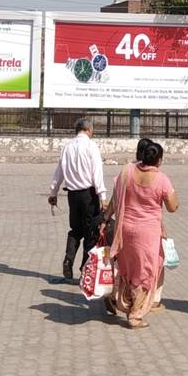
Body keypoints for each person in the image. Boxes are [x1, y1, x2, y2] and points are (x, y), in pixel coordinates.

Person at [103, 141, 178, 329]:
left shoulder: (127, 171)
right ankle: (135, 315)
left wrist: (105, 218)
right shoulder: (162, 179)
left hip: (126, 229)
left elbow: (115, 198)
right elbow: (172, 207)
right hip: (147, 233)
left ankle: (121, 300)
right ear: (159, 160)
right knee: (145, 272)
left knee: (128, 268)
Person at [48, 118, 106, 280]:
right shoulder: (91, 146)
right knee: (91, 232)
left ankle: (68, 260)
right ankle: (85, 269)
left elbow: (59, 172)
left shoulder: (67, 147)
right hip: (89, 195)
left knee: (75, 229)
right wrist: (103, 196)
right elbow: (97, 173)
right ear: (89, 130)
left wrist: (53, 193)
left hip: (72, 195)